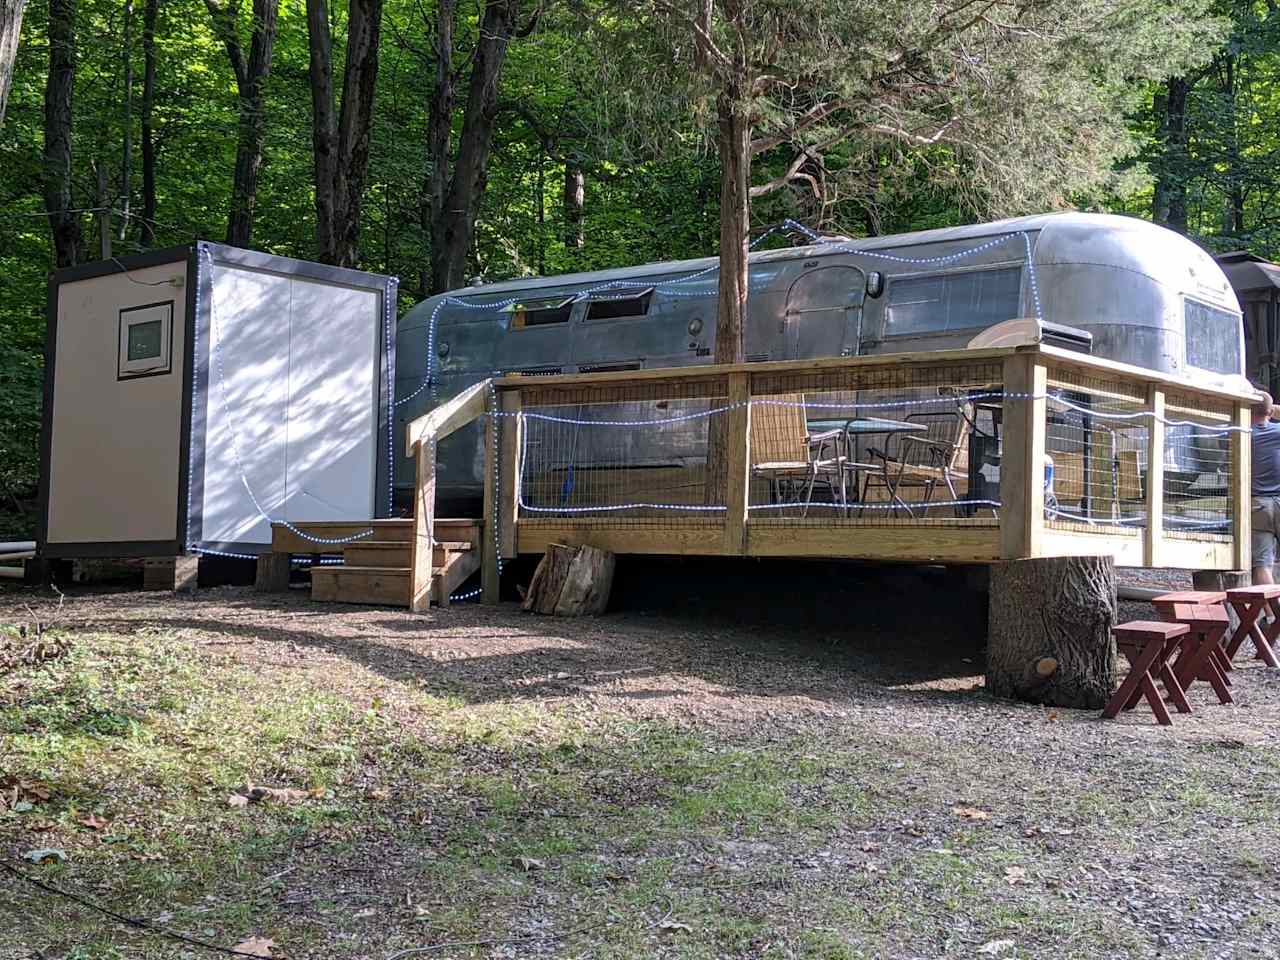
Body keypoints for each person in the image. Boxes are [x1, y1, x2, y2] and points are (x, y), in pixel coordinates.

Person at [1251, 390, 1280, 584]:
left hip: (1257, 505)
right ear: (1270, 412)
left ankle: (1273, 614)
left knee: (1263, 563)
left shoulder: (1239, 433)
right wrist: (1272, 410)